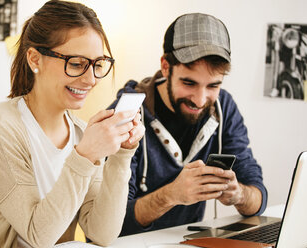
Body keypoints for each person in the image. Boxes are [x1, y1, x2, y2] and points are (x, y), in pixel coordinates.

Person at [0, 1, 145, 247]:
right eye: (77, 63)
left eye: (98, 64)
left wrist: (122, 155)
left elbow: (102, 233)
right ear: (35, 59)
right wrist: (86, 155)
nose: (90, 79)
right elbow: (39, 237)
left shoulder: (81, 133)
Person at [109, 13, 267, 236]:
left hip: (190, 241)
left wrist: (238, 194)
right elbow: (110, 223)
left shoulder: (224, 108)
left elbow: (258, 195)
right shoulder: (126, 112)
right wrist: (171, 195)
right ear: (165, 66)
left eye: (213, 86)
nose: (200, 100)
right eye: (189, 82)